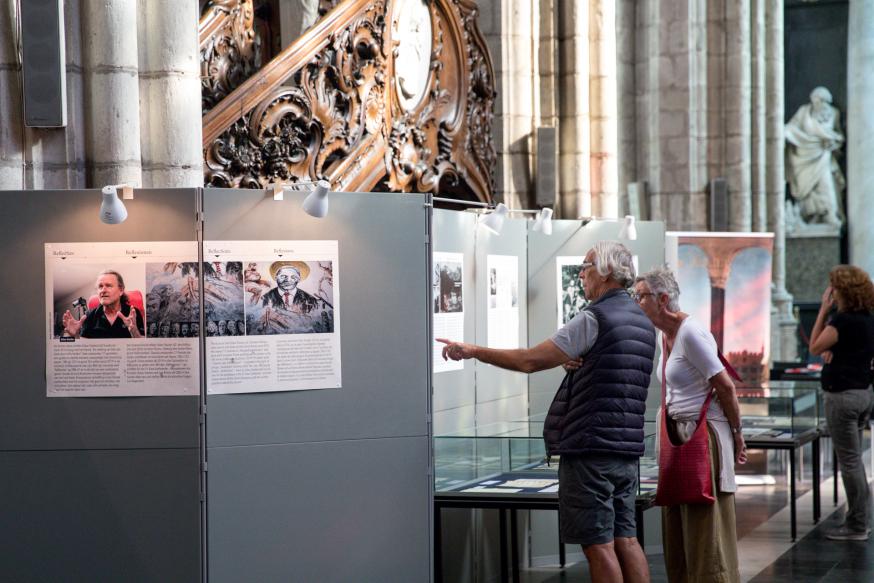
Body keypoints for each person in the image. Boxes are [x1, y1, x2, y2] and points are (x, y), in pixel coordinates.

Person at [439, 241, 655, 583]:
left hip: (589, 449)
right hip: (625, 451)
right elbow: (613, 371)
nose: (581, 274)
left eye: (586, 267)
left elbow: (530, 360)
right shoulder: (641, 322)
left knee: (597, 545)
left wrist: (474, 350)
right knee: (626, 538)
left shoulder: (594, 317)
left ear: (608, 273)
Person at [632, 268, 746, 583]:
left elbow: (725, 386)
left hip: (701, 434)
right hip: (676, 434)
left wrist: (737, 435)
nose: (635, 301)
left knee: (704, 523)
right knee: (676, 519)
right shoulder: (662, 333)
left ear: (663, 299)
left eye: (640, 296)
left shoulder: (691, 333)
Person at [809, 265, 874, 541]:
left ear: (841, 291)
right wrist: (833, 351)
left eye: (833, 287)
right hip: (863, 394)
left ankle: (858, 524)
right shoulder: (869, 319)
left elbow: (813, 347)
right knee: (855, 459)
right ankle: (859, 519)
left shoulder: (843, 321)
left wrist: (824, 310)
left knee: (849, 461)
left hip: (842, 396)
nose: (830, 291)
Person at [785, 86, 845, 227]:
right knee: (807, 193)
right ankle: (811, 217)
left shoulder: (833, 114)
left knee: (827, 187)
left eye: (821, 101)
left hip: (823, 156)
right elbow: (791, 127)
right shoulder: (804, 112)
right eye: (816, 101)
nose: (819, 104)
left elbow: (839, 136)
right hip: (804, 157)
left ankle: (830, 215)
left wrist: (834, 141)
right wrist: (785, 133)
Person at [62, 270, 144, 339]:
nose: (103, 290)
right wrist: (75, 335)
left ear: (121, 290)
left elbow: (142, 348)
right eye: (100, 286)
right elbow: (84, 350)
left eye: (108, 286)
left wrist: (134, 331)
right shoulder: (89, 316)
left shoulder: (133, 313)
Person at [262, 261, 330, 315]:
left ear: (299, 279)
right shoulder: (265, 298)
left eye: (293, 277)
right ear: (276, 277)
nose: (288, 280)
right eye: (283, 276)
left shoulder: (310, 300)